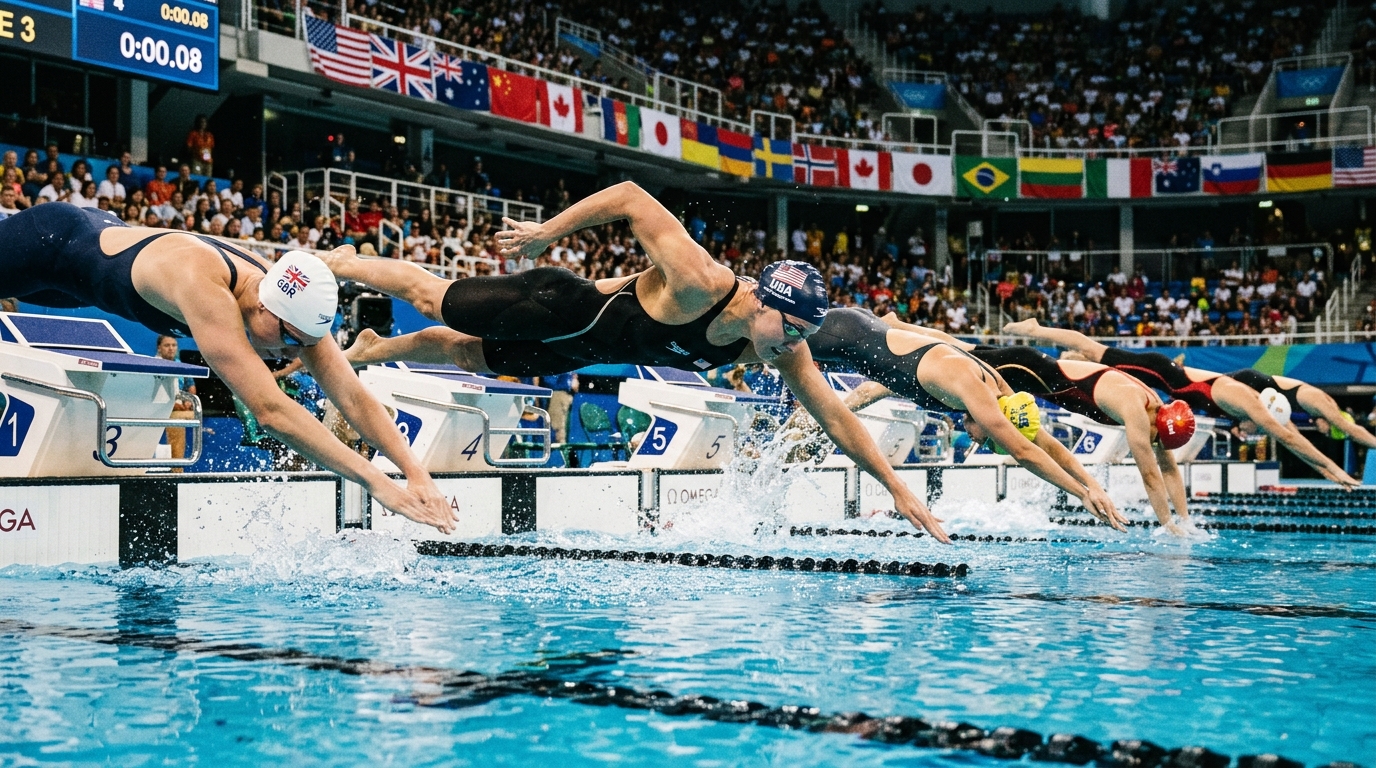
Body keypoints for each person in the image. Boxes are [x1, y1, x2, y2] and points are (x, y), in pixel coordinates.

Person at [325, 181, 951, 542]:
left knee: (472, 358)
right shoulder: (701, 281)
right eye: (790, 331)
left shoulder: (777, 346)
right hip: (560, 308)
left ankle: (378, 350)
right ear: (763, 299)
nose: (792, 347)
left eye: (803, 337)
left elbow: (836, 416)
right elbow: (630, 196)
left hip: (585, 350)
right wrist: (546, 233)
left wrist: (897, 489)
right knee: (435, 298)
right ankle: (346, 262)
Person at [0, 203, 456, 532]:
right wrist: (379, 483)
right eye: (289, 340)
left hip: (83, 277)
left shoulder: (285, 305)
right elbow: (271, 412)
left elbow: (353, 396)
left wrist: (416, 474)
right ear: (263, 307)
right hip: (51, 244)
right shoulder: (206, 288)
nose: (290, 353)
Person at [806, 308, 1123, 529]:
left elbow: (1044, 443)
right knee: (759, 343)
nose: (980, 442)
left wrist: (1094, 486)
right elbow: (1024, 452)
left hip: (859, 331)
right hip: (844, 334)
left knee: (760, 349)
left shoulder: (1001, 391)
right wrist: (1082, 494)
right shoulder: (975, 390)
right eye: (988, 439)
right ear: (992, 422)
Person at [889, 319, 1196, 533]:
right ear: (1160, 424)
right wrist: (1167, 526)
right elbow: (1152, 476)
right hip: (1027, 370)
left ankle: (898, 328)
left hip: (1033, 370)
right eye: (1156, 438)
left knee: (959, 347)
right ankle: (895, 336)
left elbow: (1167, 467)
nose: (1152, 442)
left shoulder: (1155, 406)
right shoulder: (1137, 412)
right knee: (955, 352)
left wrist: (1185, 521)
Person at [1004, 319, 1362, 489]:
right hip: (1162, 372)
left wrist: (1328, 472)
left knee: (1090, 354)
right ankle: (1035, 331)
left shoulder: (1242, 405)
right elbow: (1289, 438)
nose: (1253, 430)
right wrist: (1332, 469)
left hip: (1167, 380)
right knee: (1093, 350)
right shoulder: (1244, 399)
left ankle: (1045, 338)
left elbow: (1287, 436)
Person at [156, 334, 198, 470]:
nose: (171, 349)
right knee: (176, 419)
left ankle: (178, 467)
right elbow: (154, 392)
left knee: (187, 416)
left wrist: (188, 401)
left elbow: (190, 385)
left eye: (174, 345)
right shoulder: (154, 365)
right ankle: (176, 467)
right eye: (167, 345)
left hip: (180, 406)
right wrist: (171, 404)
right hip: (159, 407)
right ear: (159, 348)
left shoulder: (181, 365)